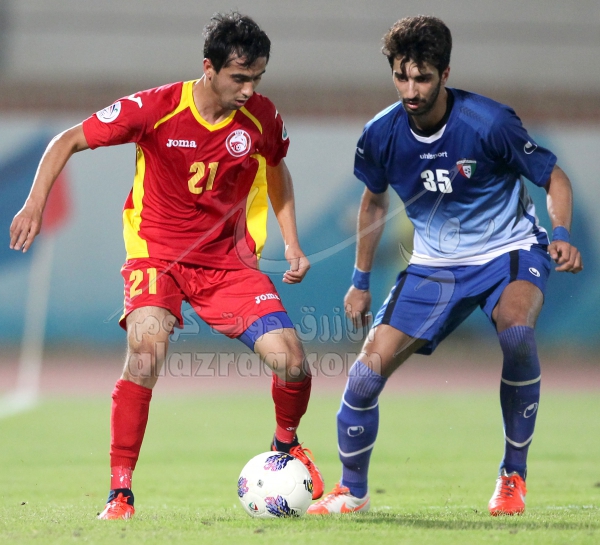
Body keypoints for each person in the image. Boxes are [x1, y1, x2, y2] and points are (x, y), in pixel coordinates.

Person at [9, 12, 324, 520]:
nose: (249, 89)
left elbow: (276, 167)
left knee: (292, 362)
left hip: (228, 263)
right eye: (239, 78)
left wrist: (291, 242)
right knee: (146, 351)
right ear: (209, 67)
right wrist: (33, 204)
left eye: (257, 78)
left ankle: (285, 443)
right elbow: (67, 140)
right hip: (158, 255)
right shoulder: (155, 108)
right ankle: (120, 492)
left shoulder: (262, 117)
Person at [307, 15, 582, 516]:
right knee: (364, 377)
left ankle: (513, 475)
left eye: (423, 78)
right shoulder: (380, 134)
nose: (410, 90)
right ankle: (352, 491)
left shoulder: (489, 123)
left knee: (516, 333)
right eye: (401, 76)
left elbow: (554, 177)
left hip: (508, 250)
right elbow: (373, 203)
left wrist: (560, 233)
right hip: (434, 265)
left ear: (445, 73)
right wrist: (360, 281)